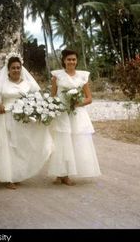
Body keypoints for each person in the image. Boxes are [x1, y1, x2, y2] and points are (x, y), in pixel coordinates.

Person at [0, 53, 53, 189]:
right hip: (7, 116)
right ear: (8, 69)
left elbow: (37, 97)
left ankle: (17, 174)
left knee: (21, 147)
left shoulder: (28, 83)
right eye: (13, 68)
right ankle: (9, 178)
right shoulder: (2, 83)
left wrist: (38, 110)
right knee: (9, 147)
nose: (16, 70)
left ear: (21, 68)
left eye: (18, 67)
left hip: (23, 118)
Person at [48, 49, 101, 185]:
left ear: (76, 61)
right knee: (62, 142)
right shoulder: (57, 76)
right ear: (64, 61)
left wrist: (78, 103)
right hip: (62, 113)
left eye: (73, 59)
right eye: (68, 59)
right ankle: (60, 174)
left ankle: (68, 175)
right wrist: (54, 108)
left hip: (77, 114)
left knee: (74, 143)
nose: (71, 62)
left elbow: (89, 98)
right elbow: (53, 96)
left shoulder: (82, 77)